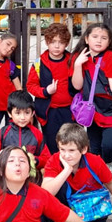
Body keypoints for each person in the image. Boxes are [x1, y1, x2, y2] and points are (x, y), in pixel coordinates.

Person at [41, 124, 112, 222]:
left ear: (84, 149)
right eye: (62, 149)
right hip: (65, 203)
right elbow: (46, 193)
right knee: (57, 186)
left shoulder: (95, 161)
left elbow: (110, 182)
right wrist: (66, 170)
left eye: (71, 150)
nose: (66, 155)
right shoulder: (54, 160)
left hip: (89, 205)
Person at [70, 23, 112, 177]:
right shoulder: (79, 57)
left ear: (109, 42)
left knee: (109, 144)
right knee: (93, 146)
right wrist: (78, 64)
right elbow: (77, 85)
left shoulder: (109, 57)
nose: (99, 40)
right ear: (87, 39)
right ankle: (95, 175)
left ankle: (107, 164)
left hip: (110, 107)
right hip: (91, 108)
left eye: (104, 38)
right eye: (95, 37)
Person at [26, 23, 74, 154]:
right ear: (47, 42)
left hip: (70, 110)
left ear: (66, 43)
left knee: (70, 142)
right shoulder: (39, 63)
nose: (57, 46)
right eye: (53, 42)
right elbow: (30, 85)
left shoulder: (72, 61)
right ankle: (54, 165)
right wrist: (46, 91)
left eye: (61, 42)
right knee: (51, 143)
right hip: (48, 112)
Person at [0, 90, 51, 172]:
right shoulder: (3, 132)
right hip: (7, 175)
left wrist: (36, 160)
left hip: (30, 175)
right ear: (9, 113)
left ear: (32, 113)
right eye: (18, 113)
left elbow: (47, 158)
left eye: (27, 112)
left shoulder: (37, 134)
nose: (22, 117)